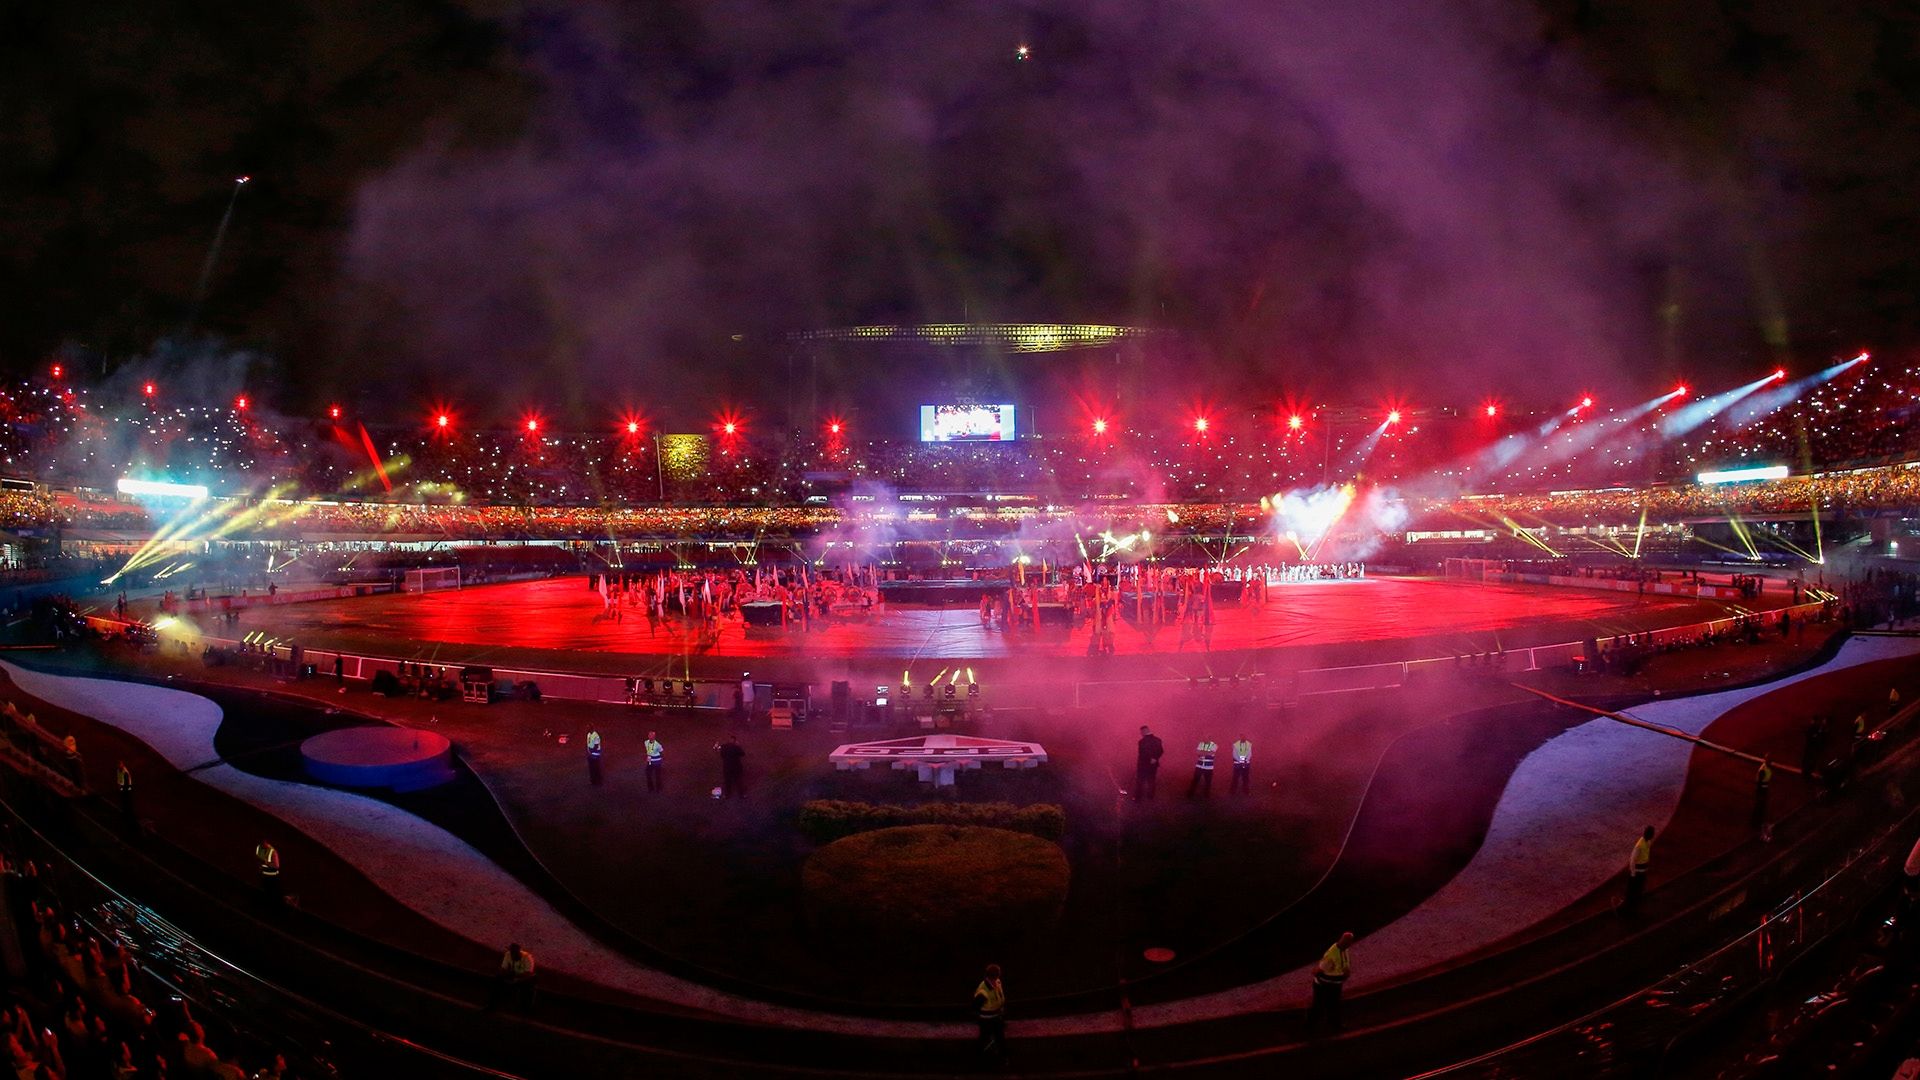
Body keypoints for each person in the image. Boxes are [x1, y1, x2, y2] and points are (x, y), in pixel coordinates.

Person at [1308, 932, 1353, 1033]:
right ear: (1345, 942)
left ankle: (1332, 1024)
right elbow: (1317, 970)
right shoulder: (1332, 955)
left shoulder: (1343, 949)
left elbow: (1344, 963)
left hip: (1334, 984)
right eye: (1349, 942)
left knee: (1333, 1005)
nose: (1350, 944)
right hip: (1325, 985)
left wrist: (1346, 971)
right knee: (1320, 1005)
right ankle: (1311, 1026)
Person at [972, 963, 1007, 1065]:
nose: (998, 978)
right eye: (997, 975)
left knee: (1000, 1038)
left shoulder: (997, 982)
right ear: (993, 976)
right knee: (985, 1038)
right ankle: (978, 1057)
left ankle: (1002, 1057)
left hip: (996, 1017)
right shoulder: (983, 991)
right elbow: (975, 1007)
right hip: (987, 1020)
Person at [490, 943, 537, 1012]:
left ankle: (526, 1008)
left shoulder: (527, 957)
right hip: (513, 976)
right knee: (497, 979)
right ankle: (493, 1004)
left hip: (523, 979)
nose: (513, 954)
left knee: (530, 984)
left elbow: (528, 973)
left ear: (519, 951)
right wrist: (505, 973)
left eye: (514, 952)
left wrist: (516, 976)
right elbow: (503, 968)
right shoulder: (508, 954)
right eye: (512, 952)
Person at [1622, 826, 1653, 915]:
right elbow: (1632, 860)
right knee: (1632, 892)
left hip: (1642, 873)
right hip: (1637, 874)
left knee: (1638, 890)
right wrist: (1633, 874)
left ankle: (1633, 908)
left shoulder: (1647, 842)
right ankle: (1626, 910)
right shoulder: (1639, 846)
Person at [1134, 726, 1164, 801]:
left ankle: (1138, 797)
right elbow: (1161, 751)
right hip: (1153, 765)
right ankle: (1150, 796)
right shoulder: (1157, 740)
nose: (1140, 734)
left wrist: (1150, 758)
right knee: (1151, 780)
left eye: (1141, 732)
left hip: (1143, 764)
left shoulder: (1142, 741)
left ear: (1144, 731)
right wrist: (1155, 758)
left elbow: (1142, 753)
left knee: (1140, 780)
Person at [255, 840, 282, 905]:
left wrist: (263, 866)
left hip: (271, 873)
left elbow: (273, 865)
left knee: (269, 889)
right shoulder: (262, 849)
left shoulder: (271, 851)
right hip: (268, 873)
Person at [1751, 755, 1773, 833]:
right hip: (1761, 790)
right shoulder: (1763, 769)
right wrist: (1764, 789)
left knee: (1761, 805)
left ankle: (1757, 821)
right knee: (1759, 805)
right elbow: (1760, 782)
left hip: (1763, 789)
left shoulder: (1767, 768)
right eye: (1769, 760)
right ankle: (1755, 822)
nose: (1771, 762)